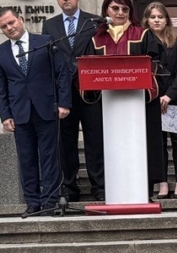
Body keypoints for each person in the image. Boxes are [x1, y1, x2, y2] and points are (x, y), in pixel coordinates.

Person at [0, 8, 71, 217]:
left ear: (21, 20)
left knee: (49, 157)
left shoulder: (46, 42)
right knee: (26, 159)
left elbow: (62, 74)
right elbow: (1, 88)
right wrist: (5, 115)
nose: (9, 28)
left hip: (46, 109)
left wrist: (64, 103)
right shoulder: (1, 52)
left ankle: (49, 200)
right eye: (4, 26)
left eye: (11, 22)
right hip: (19, 112)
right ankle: (32, 202)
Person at [92, 0, 166, 198]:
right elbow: (89, 70)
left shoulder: (142, 34)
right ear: (106, 10)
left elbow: (156, 64)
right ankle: (108, 189)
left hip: (139, 104)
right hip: (107, 105)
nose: (120, 13)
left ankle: (145, 189)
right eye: (115, 8)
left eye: (125, 9)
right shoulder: (96, 39)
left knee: (144, 144)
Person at [43, 0, 105, 202]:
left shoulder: (94, 22)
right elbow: (49, 58)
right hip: (63, 93)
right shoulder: (49, 25)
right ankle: (69, 187)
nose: (66, 0)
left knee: (94, 140)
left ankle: (99, 186)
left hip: (90, 91)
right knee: (66, 143)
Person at [145, 2, 177, 200]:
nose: (156, 20)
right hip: (153, 99)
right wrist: (158, 95)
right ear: (147, 19)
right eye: (153, 17)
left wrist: (169, 95)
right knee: (158, 143)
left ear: (166, 20)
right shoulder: (143, 41)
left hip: (176, 99)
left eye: (160, 17)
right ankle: (162, 182)